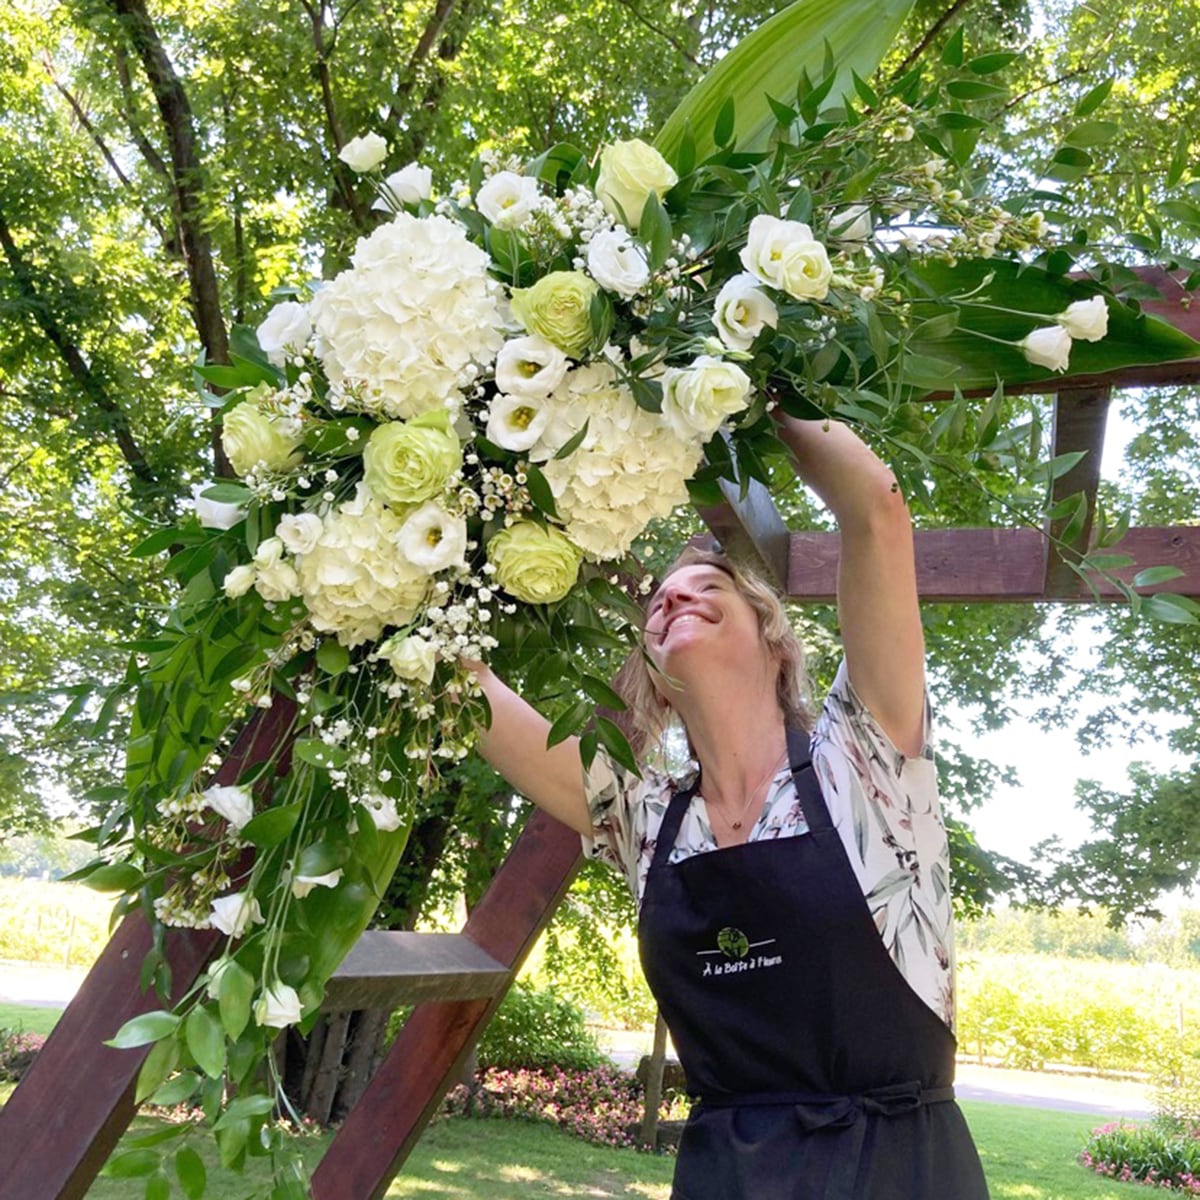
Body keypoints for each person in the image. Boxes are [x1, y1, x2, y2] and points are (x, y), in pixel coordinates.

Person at [467, 415, 989, 1199]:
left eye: (709, 588)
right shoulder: (643, 821)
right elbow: (460, 688)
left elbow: (875, 505)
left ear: (775, 641)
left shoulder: (867, 755)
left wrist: (750, 377)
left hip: (893, 1171)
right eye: (660, 601)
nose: (674, 594)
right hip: (724, 1177)